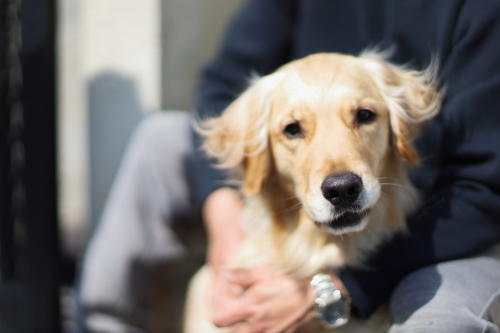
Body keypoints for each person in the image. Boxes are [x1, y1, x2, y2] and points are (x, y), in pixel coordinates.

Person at [78, 0, 500, 332]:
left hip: (444, 227)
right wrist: (225, 224)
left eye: (365, 116)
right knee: (161, 138)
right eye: (295, 128)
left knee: (441, 319)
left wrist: (338, 291)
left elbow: (487, 187)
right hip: (278, 206)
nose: (338, 176)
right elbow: (222, 85)